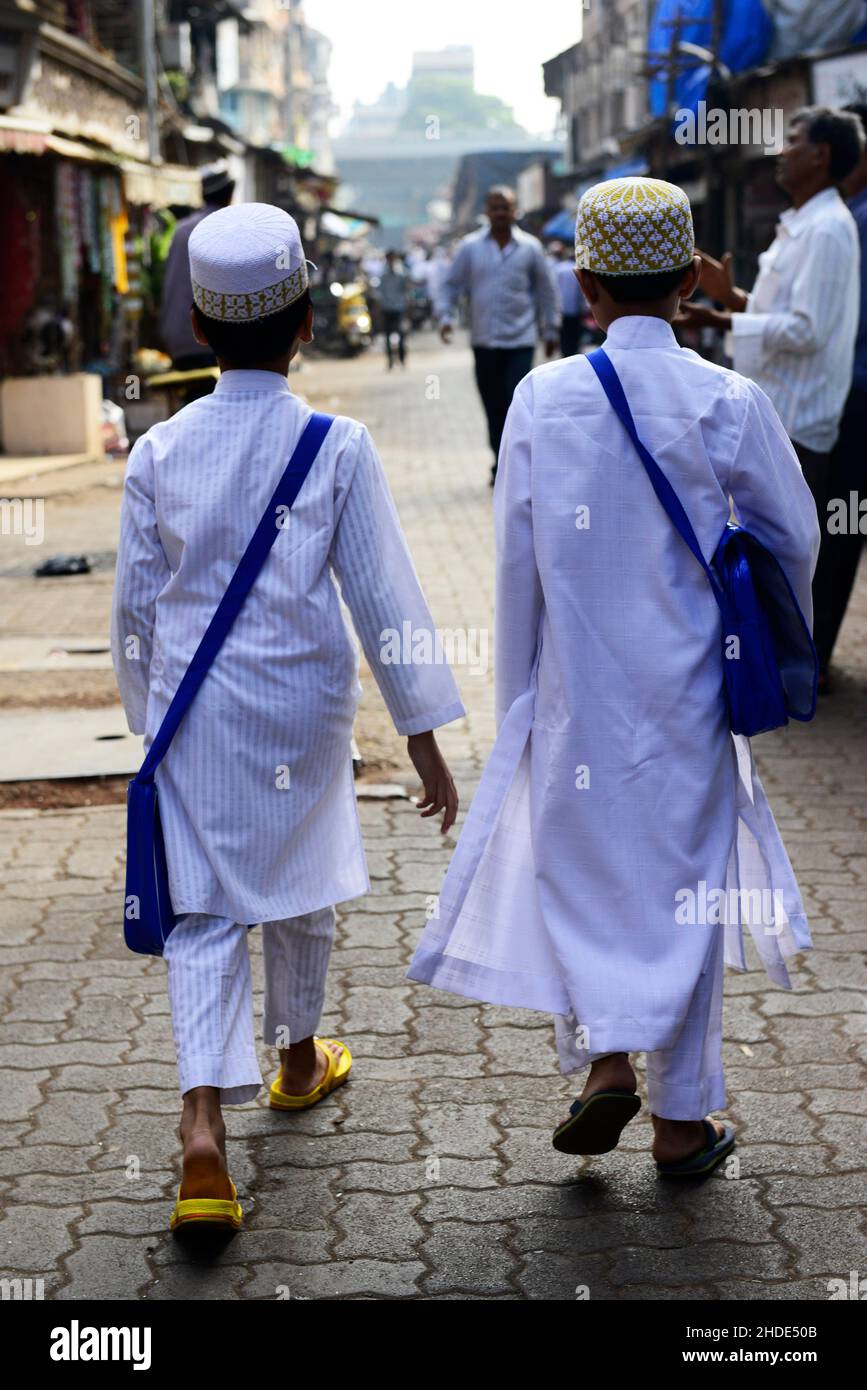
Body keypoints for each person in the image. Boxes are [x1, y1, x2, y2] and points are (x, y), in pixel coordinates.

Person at [409, 177, 820, 1176]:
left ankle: (603, 1063)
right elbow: (796, 536)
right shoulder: (729, 398)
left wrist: (522, 703)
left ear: (583, 287)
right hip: (689, 698)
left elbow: (517, 564)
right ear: (689, 280)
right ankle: (683, 1124)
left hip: (573, 697)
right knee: (684, 886)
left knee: (586, 877)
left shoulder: (541, 398)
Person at [112, 202, 464, 1232]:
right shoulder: (338, 443)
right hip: (305, 707)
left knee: (205, 910)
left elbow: (136, 610)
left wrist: (150, 720)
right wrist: (425, 733)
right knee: (303, 878)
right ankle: (299, 1058)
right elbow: (384, 596)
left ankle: (202, 1135)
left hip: (197, 709)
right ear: (305, 319)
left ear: (203, 332)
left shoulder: (158, 452)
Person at [678, 107, 864, 515]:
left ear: (821, 155)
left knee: (788, 566)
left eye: (794, 140)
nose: (781, 150)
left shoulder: (827, 228)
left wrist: (719, 318)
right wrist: (730, 297)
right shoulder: (802, 224)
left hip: (797, 425)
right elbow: (781, 314)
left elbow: (806, 331)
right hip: (776, 418)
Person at [437, 186, 561, 484]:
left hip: (521, 340)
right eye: (495, 207)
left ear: (515, 210)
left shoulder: (531, 248)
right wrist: (445, 316)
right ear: (487, 211)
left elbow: (546, 291)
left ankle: (520, 466)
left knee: (517, 403)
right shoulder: (470, 248)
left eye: (506, 207)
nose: (501, 213)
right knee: (493, 406)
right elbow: (450, 285)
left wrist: (551, 328)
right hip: (485, 342)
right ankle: (500, 461)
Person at [810, 103, 867, 687]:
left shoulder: (845, 221)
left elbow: (823, 326)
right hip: (849, 387)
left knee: (839, 525)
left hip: (854, 392)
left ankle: (815, 652)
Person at [159, 164, 235, 375]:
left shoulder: (181, 229)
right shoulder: (228, 227)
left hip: (177, 339)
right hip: (213, 342)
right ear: (230, 193)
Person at [552, 239, 588, 357]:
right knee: (573, 334)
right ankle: (571, 352)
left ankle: (564, 352)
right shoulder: (577, 270)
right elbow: (581, 291)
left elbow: (554, 288)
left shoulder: (559, 268)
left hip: (561, 308)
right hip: (575, 309)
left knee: (563, 333)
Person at [377, 250, 409, 368]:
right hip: (387, 308)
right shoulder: (383, 274)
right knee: (387, 335)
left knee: (401, 333)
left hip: (399, 307)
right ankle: (390, 360)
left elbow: (406, 290)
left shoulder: (401, 273)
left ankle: (402, 358)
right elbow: (379, 293)